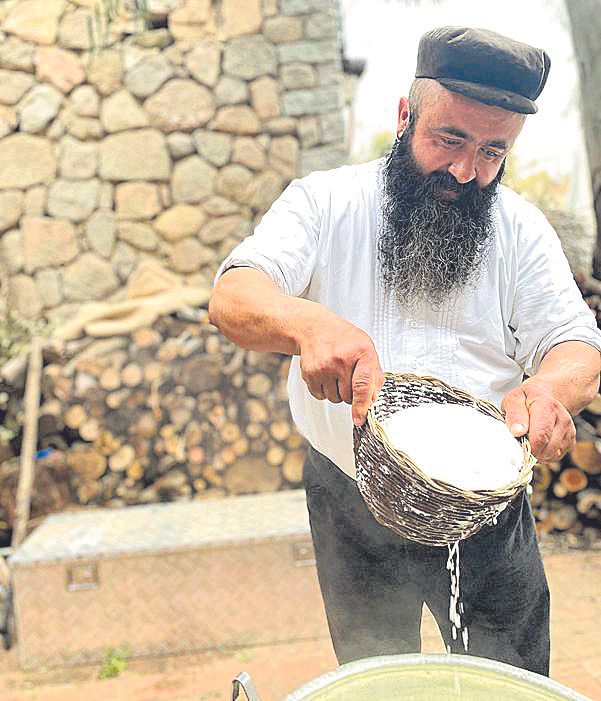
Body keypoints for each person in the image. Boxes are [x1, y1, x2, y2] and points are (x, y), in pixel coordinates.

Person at [209, 27, 601, 676]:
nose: (464, 171)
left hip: (484, 507)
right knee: (372, 672)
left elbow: (575, 344)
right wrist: (307, 324)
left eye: (491, 151)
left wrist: (549, 390)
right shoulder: (325, 202)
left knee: (507, 677)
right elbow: (234, 294)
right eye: (448, 139)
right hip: (348, 487)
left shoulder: (521, 230)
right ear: (403, 116)